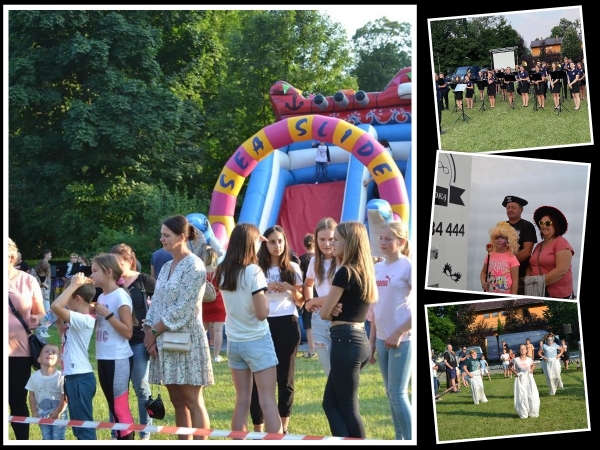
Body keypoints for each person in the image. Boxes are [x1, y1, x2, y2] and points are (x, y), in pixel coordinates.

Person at [143, 215, 214, 440]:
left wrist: (155, 331)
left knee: (193, 401)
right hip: (165, 339)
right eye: (162, 234)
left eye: (166, 235)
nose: (161, 239)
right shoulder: (165, 267)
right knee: (177, 402)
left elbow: (185, 307)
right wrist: (150, 333)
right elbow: (157, 303)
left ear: (181, 237)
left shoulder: (195, 266)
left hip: (187, 341)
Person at [215, 223, 282, 435]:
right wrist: (268, 298)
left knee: (242, 401)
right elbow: (262, 313)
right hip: (257, 339)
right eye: (257, 242)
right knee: (268, 402)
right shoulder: (254, 271)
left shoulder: (223, 270)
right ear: (249, 244)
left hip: (234, 341)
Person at [320, 221, 377, 438]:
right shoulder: (364, 271)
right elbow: (329, 308)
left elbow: (325, 313)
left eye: (336, 239)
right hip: (357, 340)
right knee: (331, 403)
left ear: (350, 243)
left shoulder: (345, 272)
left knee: (345, 406)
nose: (332, 243)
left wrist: (329, 307)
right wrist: (330, 306)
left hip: (346, 341)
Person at [250, 225, 304, 434]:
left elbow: (302, 302)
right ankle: (258, 429)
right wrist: (265, 288)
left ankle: (283, 429)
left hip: (287, 323)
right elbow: (249, 297)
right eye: (272, 241)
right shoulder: (256, 268)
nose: (277, 245)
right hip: (262, 323)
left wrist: (290, 289)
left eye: (280, 241)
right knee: (260, 379)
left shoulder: (293, 267)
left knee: (286, 378)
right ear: (265, 243)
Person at [369, 220, 412, 440]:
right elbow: (376, 308)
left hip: (402, 341)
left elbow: (416, 310)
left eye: (388, 238)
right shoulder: (377, 268)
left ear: (401, 241)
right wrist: (372, 340)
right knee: (390, 394)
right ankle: (399, 439)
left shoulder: (409, 267)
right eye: (381, 238)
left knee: (398, 393)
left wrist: (399, 332)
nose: (383, 242)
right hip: (382, 340)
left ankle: (410, 438)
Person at [110, 243, 156, 440]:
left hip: (138, 341)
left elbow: (160, 305)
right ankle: (118, 430)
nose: (115, 267)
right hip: (116, 342)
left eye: (119, 262)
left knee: (141, 387)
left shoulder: (145, 281)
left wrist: (152, 328)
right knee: (117, 389)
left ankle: (145, 432)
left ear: (130, 261)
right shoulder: (111, 282)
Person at [89, 253, 136, 440]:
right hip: (103, 356)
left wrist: (107, 314)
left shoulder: (120, 296)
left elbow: (128, 332)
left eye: (95, 271)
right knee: (112, 404)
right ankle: (118, 437)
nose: (91, 275)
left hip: (118, 357)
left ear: (109, 272)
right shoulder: (101, 297)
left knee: (120, 406)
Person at [51, 272, 98, 440]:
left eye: (69, 295)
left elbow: (55, 306)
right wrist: (57, 321)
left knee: (84, 430)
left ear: (77, 298)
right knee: (79, 428)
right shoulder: (76, 320)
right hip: (75, 377)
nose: (66, 300)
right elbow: (63, 333)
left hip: (79, 378)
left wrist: (72, 285)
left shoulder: (83, 319)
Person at [8, 238, 45, 440]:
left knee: (17, 401)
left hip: (18, 352)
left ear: (11, 257)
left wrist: (36, 318)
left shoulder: (28, 280)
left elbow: (41, 313)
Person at [303, 217, 340, 376]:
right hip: (319, 318)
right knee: (329, 370)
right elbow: (307, 284)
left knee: (342, 369)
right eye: (322, 239)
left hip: (340, 316)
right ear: (316, 240)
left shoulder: (343, 262)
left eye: (331, 239)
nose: (327, 244)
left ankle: (346, 400)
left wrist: (316, 301)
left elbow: (342, 294)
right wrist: (310, 302)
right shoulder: (314, 262)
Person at [526, 205, 574, 299]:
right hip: (537, 292)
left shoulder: (561, 243)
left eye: (548, 223)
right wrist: (528, 280)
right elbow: (531, 264)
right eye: (541, 223)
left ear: (555, 224)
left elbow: (561, 270)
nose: (544, 226)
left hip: (556, 294)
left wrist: (538, 283)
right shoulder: (539, 245)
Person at [25, 343, 68, 440]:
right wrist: (34, 411)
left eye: (54, 352)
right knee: (46, 437)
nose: (50, 354)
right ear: (39, 359)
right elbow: (31, 395)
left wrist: (58, 412)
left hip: (60, 413)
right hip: (42, 413)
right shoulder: (34, 376)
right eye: (47, 351)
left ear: (58, 362)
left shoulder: (61, 377)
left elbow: (65, 397)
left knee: (58, 437)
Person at [503, 196, 537, 295]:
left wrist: (507, 265)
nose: (510, 210)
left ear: (521, 210)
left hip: (519, 274)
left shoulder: (527, 226)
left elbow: (526, 252)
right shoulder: (501, 226)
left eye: (513, 207)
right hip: (500, 274)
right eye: (508, 207)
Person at [202, 245, 227, 363]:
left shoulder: (200, 272)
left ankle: (201, 354)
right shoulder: (220, 271)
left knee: (202, 330)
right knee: (218, 330)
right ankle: (216, 356)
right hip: (218, 301)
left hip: (204, 303)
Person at [480, 221, 520, 294]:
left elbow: (515, 281)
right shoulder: (490, 255)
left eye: (502, 237)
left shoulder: (512, 258)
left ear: (509, 240)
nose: (499, 240)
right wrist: (483, 282)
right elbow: (483, 272)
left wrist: (513, 298)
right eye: (497, 237)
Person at [509, 344, 540, 419]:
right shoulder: (516, 360)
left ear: (526, 350)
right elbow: (509, 366)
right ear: (519, 351)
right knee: (523, 397)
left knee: (532, 395)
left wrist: (532, 370)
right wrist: (515, 373)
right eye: (521, 349)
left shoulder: (529, 359)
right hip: (520, 380)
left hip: (529, 380)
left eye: (524, 349)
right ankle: (523, 413)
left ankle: (532, 412)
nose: (522, 350)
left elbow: (533, 365)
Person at [299, 233, 316, 358]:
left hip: (308, 294)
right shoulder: (320, 258)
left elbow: (300, 277)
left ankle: (312, 350)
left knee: (309, 324)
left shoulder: (302, 259)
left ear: (304, 245)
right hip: (320, 292)